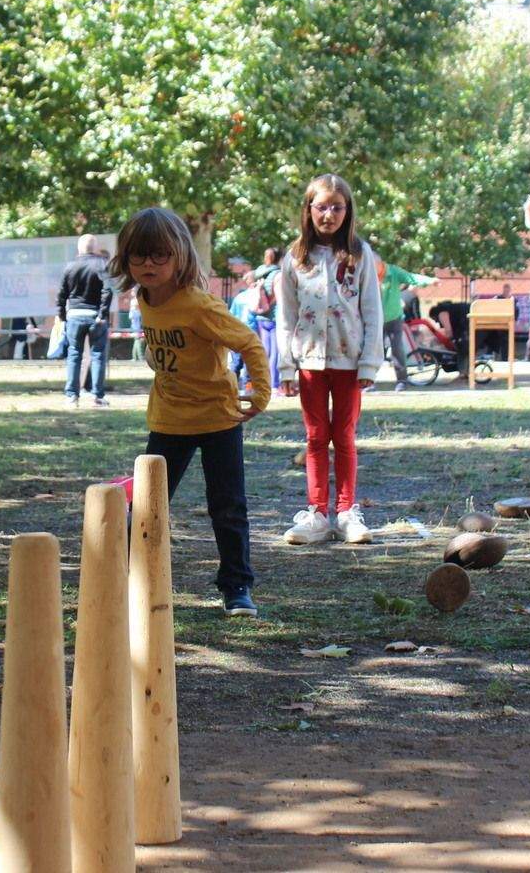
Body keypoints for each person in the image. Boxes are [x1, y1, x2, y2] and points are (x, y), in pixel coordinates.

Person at [110, 207, 270, 617]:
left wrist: (260, 394)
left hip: (218, 419)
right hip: (168, 420)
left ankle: (236, 587)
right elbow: (161, 346)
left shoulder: (199, 305)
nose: (149, 264)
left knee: (227, 505)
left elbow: (249, 343)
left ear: (179, 256)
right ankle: (125, 580)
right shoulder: (144, 299)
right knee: (147, 504)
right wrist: (154, 356)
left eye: (159, 255)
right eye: (139, 256)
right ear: (126, 259)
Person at [276, 174, 382, 545]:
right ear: (309, 209)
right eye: (322, 206)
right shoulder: (295, 258)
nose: (329, 214)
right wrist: (286, 366)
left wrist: (369, 361)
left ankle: (347, 511)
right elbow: (286, 317)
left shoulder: (359, 254)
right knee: (317, 437)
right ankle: (317, 512)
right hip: (309, 363)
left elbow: (372, 309)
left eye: (337, 207)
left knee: (345, 436)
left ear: (347, 211)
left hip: (349, 362)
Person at [55, 233, 114, 407]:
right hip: (95, 316)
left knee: (74, 355)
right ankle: (97, 396)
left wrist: (63, 316)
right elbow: (108, 291)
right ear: (95, 248)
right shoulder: (101, 265)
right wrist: (103, 314)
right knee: (97, 356)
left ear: (79, 248)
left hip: (74, 315)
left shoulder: (70, 267)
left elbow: (61, 294)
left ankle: (72, 396)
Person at [376, 255, 412, 392]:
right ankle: (368, 381)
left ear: (380, 263)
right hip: (376, 319)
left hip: (394, 318)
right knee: (373, 350)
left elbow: (411, 278)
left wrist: (430, 280)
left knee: (397, 349)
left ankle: (402, 380)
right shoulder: (368, 273)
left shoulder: (393, 272)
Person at [250, 247, 282, 389]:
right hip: (274, 318)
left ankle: (262, 383)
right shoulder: (277, 274)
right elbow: (280, 298)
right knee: (275, 353)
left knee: (264, 352)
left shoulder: (259, 273)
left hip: (260, 316)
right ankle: (273, 384)